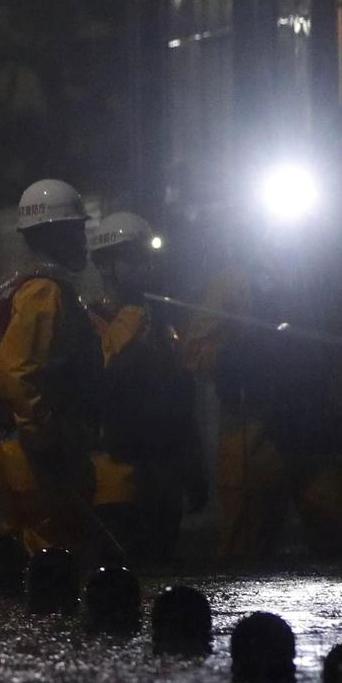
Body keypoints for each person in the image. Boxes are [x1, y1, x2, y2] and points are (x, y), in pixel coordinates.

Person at [183, 224, 342, 561]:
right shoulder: (233, 282)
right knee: (246, 550)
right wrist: (236, 353)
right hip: (254, 428)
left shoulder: (314, 280)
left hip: (312, 426)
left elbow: (339, 344)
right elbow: (195, 352)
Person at [0, 179, 104, 554]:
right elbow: (16, 373)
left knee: (29, 561)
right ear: (54, 235)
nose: (83, 240)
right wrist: (46, 439)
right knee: (55, 561)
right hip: (38, 455)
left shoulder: (12, 288)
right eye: (76, 230)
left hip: (15, 446)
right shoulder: (44, 291)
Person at [84, 212, 203, 562]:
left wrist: (193, 466)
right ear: (104, 265)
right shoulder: (87, 323)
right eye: (132, 258)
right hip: (114, 479)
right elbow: (100, 386)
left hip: (163, 477)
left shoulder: (161, 323)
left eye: (146, 257)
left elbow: (181, 395)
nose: (144, 267)